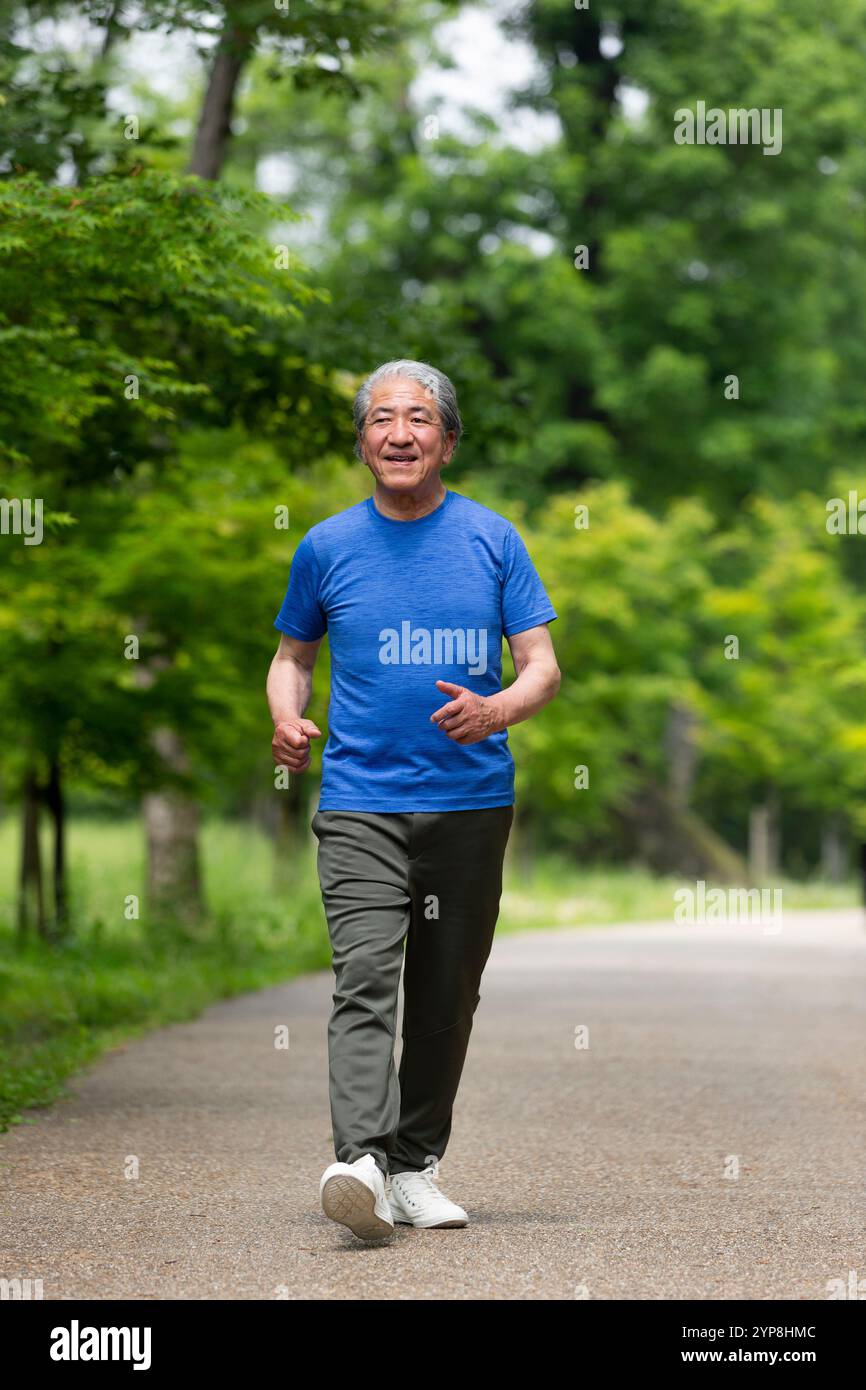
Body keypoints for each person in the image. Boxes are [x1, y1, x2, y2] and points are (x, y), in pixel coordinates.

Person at [266, 359, 560, 1241]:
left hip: (470, 803)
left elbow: (541, 667)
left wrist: (496, 707)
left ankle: (414, 1167)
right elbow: (293, 658)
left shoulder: (493, 540)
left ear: (448, 440)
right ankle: (358, 1159)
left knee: (445, 993)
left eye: (420, 419)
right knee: (364, 974)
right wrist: (287, 718)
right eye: (382, 419)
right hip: (360, 800)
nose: (400, 433)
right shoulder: (324, 547)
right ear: (362, 442)